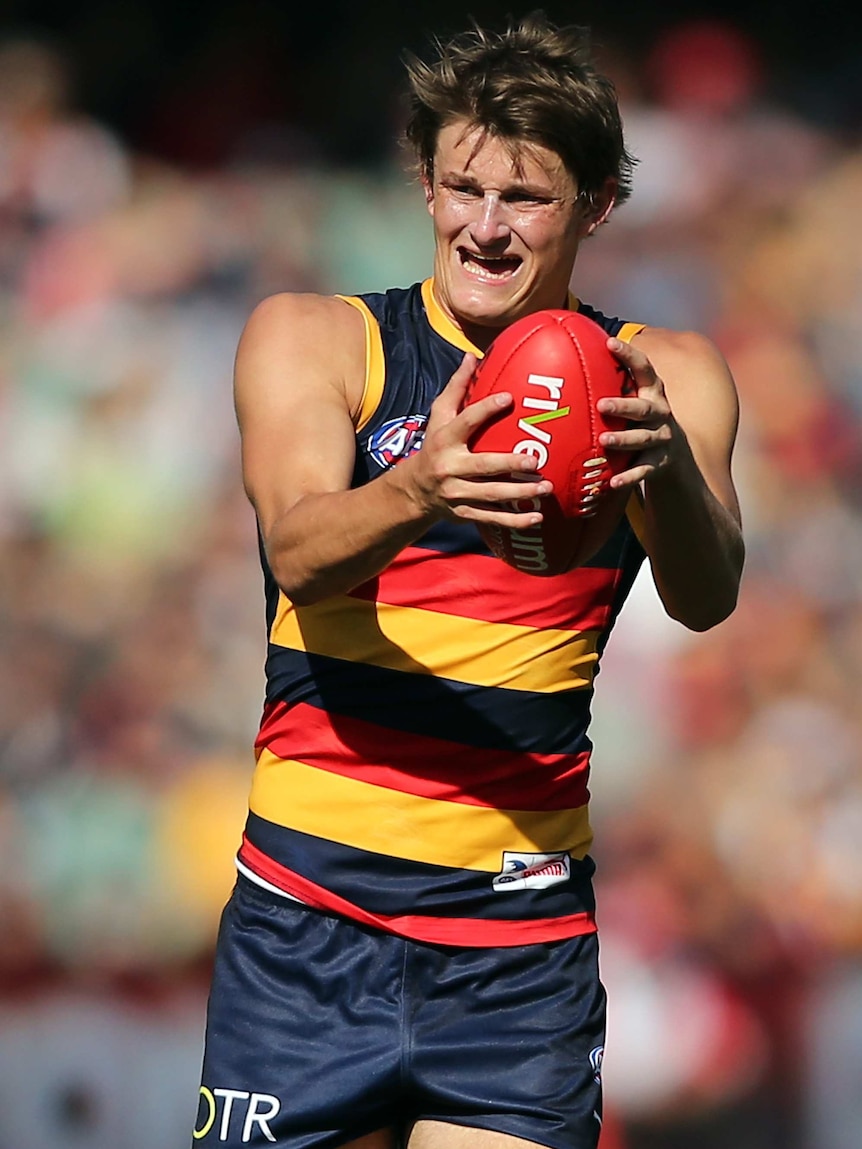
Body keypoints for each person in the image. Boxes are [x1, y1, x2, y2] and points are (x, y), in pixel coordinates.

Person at [192, 13, 744, 1149]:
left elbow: (708, 593)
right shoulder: (321, 340)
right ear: (425, 186)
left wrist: (664, 469)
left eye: (526, 199)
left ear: (595, 206)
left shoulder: (665, 374)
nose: (484, 230)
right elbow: (295, 550)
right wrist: (417, 488)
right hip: (307, 926)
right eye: (461, 189)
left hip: (517, 949)